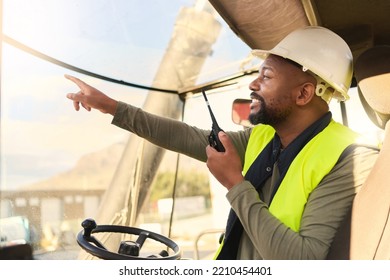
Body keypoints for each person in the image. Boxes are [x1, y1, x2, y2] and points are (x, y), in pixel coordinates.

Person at [65, 26, 378, 259]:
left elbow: (302, 261)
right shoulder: (265, 136)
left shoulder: (349, 159)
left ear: (303, 94)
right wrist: (111, 106)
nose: (253, 85)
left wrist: (235, 184)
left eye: (266, 76)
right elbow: (185, 136)